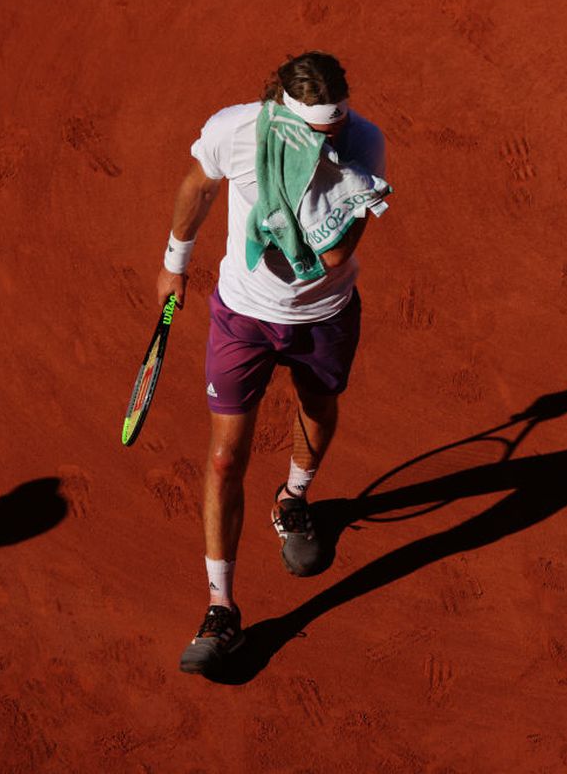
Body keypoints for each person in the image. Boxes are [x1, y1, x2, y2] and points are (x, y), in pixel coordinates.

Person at [154, 51, 388, 675]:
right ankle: (220, 607)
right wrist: (175, 262)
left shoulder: (362, 143)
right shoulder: (237, 132)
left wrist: (332, 174)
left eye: (335, 125)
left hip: (323, 317)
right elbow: (200, 185)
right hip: (244, 317)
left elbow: (336, 257)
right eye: (316, 131)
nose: (330, 136)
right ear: (284, 113)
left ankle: (293, 499)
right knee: (226, 456)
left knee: (318, 408)